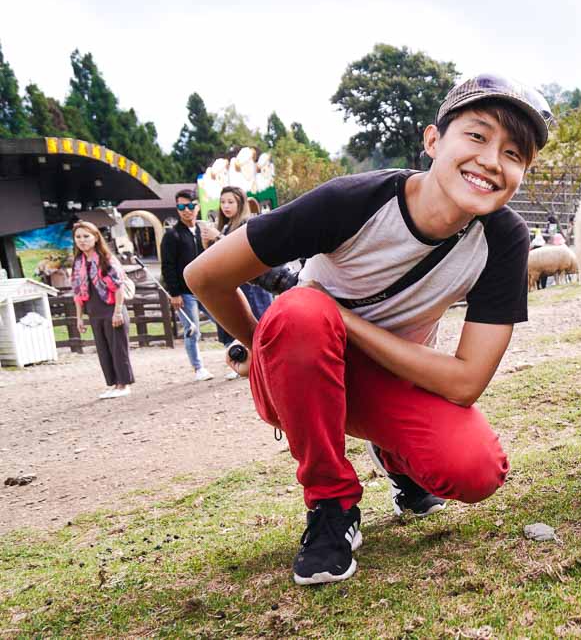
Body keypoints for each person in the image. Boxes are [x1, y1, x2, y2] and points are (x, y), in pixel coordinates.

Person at [186, 73, 553, 586]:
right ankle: (331, 503)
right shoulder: (352, 201)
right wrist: (262, 349)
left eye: (514, 153)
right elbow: (204, 274)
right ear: (432, 140)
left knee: (475, 467)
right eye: (477, 135)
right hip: (303, 365)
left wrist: (345, 320)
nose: (492, 160)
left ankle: (392, 451)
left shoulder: (504, 240)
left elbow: (467, 380)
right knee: (301, 313)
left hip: (389, 377)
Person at [206, 185, 274, 379]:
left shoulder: (247, 222)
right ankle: (249, 362)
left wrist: (217, 237)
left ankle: (263, 364)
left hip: (253, 285)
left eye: (230, 202)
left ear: (240, 203)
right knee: (240, 325)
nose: (225, 206)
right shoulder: (226, 226)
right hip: (236, 285)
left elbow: (242, 254)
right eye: (222, 202)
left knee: (258, 323)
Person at [72, 221, 135, 398]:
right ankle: (114, 383)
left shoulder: (107, 260)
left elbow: (118, 286)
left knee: (118, 347)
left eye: (86, 236)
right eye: (78, 237)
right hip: (93, 310)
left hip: (112, 307)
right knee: (103, 348)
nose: (82, 240)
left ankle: (124, 384)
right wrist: (79, 317)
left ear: (96, 237)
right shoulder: (78, 263)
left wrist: (117, 311)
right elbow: (77, 292)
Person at [160, 189, 214, 381]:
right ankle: (198, 367)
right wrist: (174, 293)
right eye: (181, 207)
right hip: (185, 292)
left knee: (223, 322)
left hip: (206, 289)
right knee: (192, 329)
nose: (186, 210)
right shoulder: (172, 235)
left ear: (197, 207)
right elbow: (167, 266)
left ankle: (235, 355)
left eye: (190, 206)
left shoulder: (204, 231)